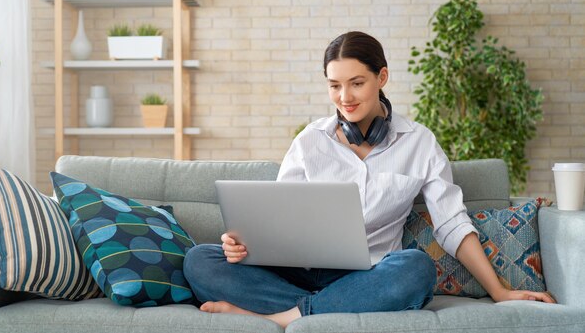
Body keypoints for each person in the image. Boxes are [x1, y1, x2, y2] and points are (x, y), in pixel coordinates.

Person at [183, 31, 556, 328]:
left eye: (356, 83)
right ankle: (311, 312)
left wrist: (499, 291)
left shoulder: (420, 143)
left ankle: (279, 320)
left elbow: (452, 225)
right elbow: (277, 218)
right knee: (200, 260)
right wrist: (243, 244)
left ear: (382, 77)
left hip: (370, 277)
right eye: (334, 86)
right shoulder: (310, 140)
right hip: (294, 273)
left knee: (417, 269)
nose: (344, 97)